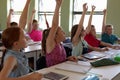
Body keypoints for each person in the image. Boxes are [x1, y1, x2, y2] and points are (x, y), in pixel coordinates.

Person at [0, 0, 42, 80]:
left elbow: (22, 23)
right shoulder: (11, 58)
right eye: (23, 37)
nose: (26, 38)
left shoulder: (17, 50)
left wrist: (28, 3)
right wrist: (29, 77)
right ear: (16, 43)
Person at [42, 0, 77, 67]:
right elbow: (55, 25)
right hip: (52, 74)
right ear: (55, 35)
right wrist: (58, 6)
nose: (64, 33)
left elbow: (59, 61)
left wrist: (67, 59)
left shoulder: (60, 44)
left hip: (61, 71)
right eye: (62, 31)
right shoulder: (51, 44)